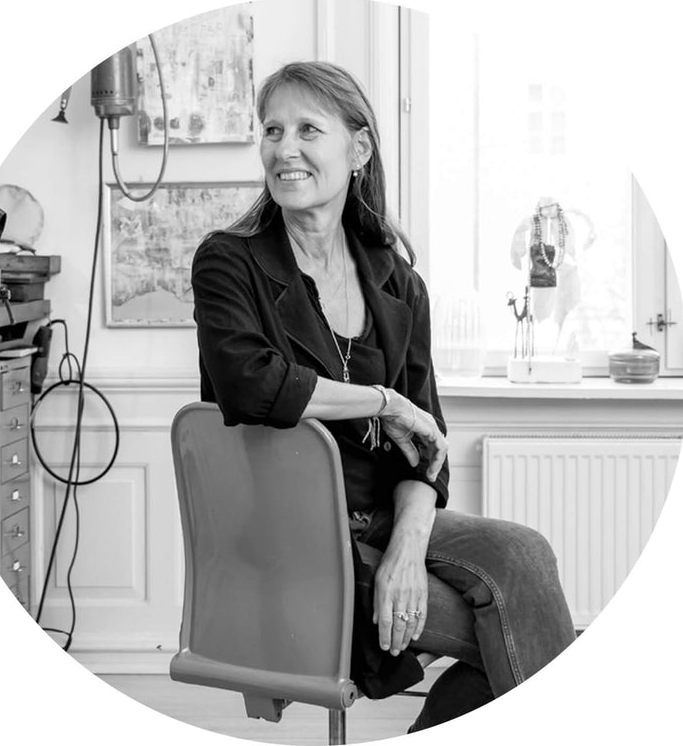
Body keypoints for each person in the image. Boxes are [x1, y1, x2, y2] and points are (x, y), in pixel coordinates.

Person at [191, 60, 576, 729]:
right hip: (289, 541)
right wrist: (384, 401)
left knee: (525, 556)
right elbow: (251, 385)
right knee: (520, 634)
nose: (284, 149)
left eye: (308, 130)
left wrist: (407, 548)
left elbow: (428, 448)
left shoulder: (399, 283)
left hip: (382, 522)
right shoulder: (228, 261)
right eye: (272, 130)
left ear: (359, 148)